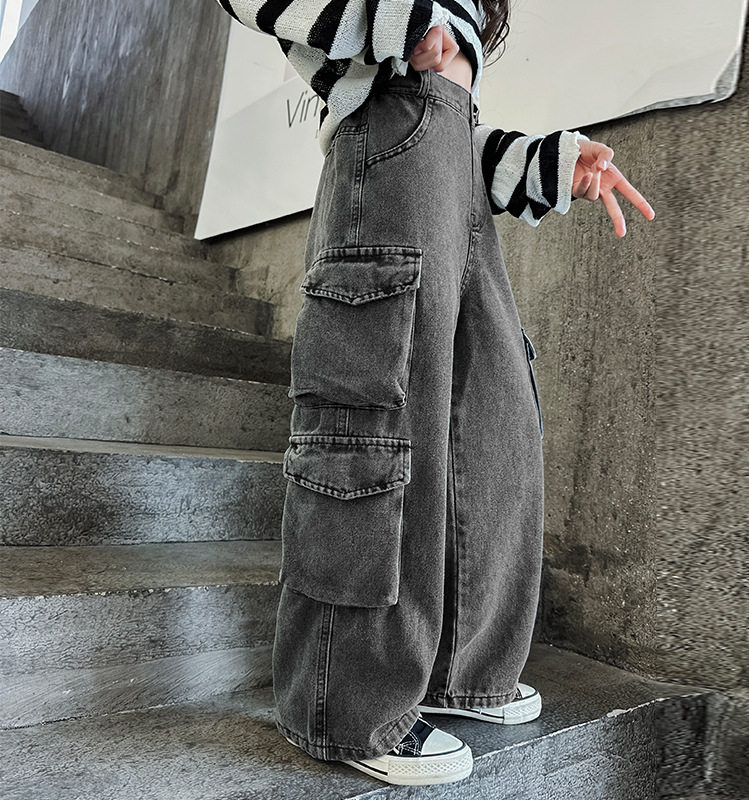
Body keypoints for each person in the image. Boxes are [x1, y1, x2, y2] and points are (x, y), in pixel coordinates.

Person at [212, 0, 655, 788]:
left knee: (493, 425)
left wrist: (546, 164)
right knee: (377, 425)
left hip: (452, 188)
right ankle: (343, 703)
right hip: (384, 161)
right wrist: (401, 23)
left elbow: (454, 138)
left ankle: (458, 668)